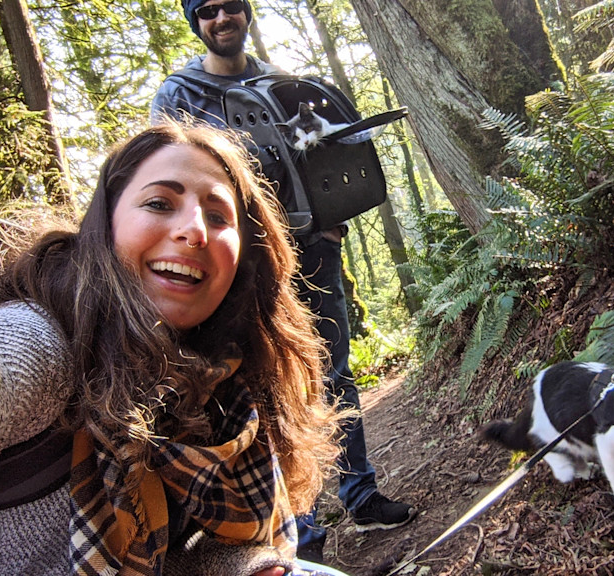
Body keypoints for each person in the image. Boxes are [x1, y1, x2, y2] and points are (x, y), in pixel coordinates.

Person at [0, 121, 345, 576]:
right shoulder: (37, 341)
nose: (194, 230)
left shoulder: (224, 380)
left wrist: (244, 567)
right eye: (158, 203)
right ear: (103, 229)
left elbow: (180, 548)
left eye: (218, 215)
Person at [151, 0, 417, 563]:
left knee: (335, 372)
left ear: (246, 15)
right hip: (247, 265)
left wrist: (332, 231)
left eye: (230, 7)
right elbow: (172, 172)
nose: (221, 19)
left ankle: (361, 494)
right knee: (274, 387)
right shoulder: (180, 97)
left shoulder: (283, 85)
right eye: (207, 12)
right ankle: (303, 527)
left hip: (314, 251)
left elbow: (324, 159)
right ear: (197, 24)